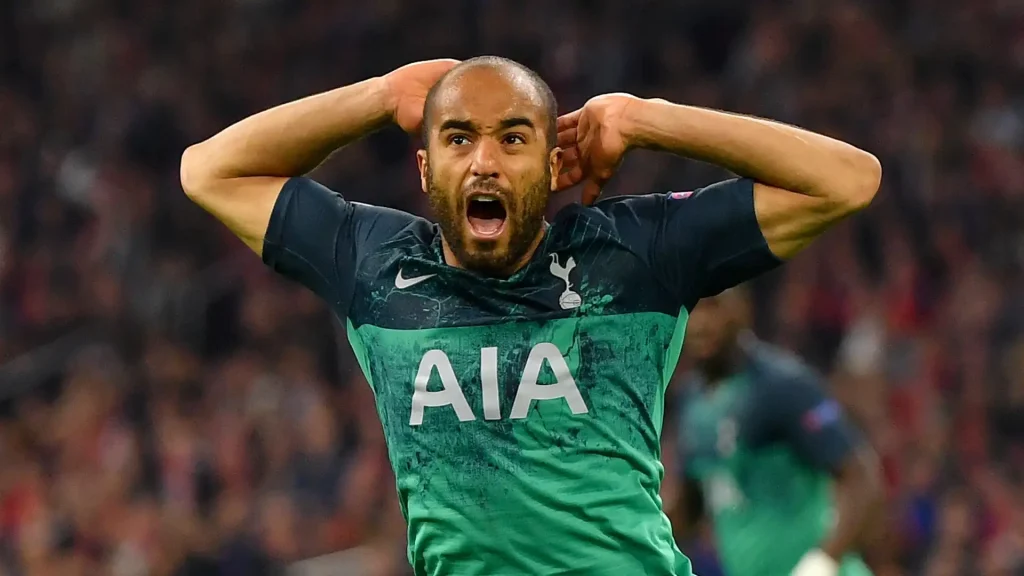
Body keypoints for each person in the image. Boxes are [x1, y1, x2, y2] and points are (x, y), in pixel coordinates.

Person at [179, 56, 881, 575]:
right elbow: (208, 170)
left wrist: (645, 119)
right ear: (425, 170)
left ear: (553, 167)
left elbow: (847, 179)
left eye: (513, 139)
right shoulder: (373, 264)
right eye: (458, 138)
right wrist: (378, 96)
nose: (484, 161)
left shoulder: (633, 253)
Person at [671, 287, 883, 576]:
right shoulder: (690, 401)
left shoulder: (785, 385)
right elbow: (691, 507)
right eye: (692, 308)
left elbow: (861, 477)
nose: (701, 322)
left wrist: (823, 563)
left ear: (742, 308)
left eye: (714, 306)